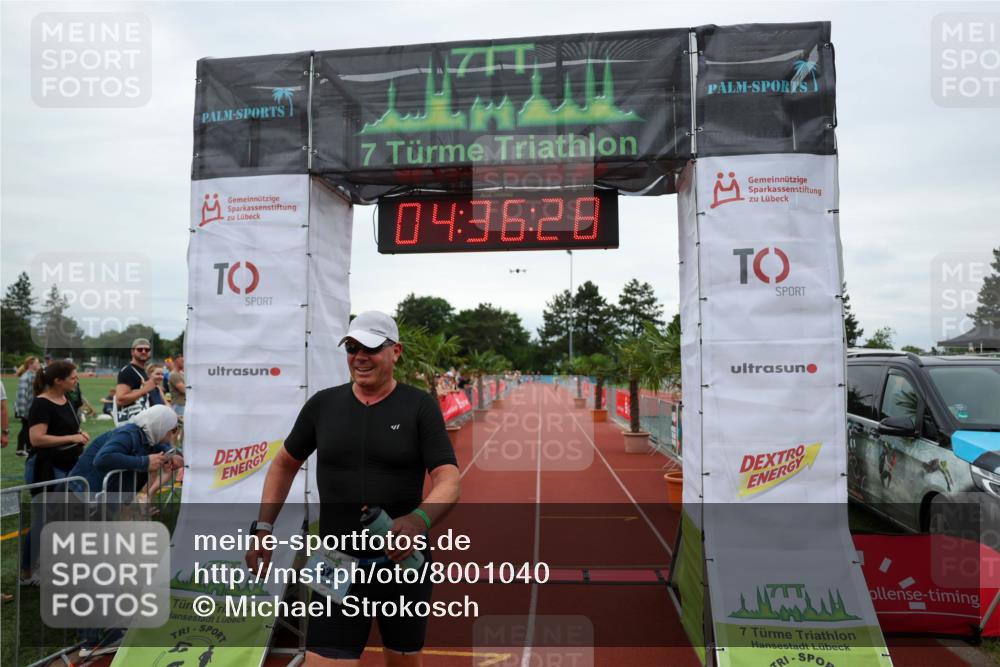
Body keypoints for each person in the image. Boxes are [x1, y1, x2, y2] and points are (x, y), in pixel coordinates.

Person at [245, 311, 460, 667]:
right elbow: (283, 463)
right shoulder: (323, 405)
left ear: (396, 352)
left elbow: (449, 479)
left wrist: (418, 521)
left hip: (402, 562)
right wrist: (263, 528)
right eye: (352, 347)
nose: (360, 356)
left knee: (403, 660)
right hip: (335, 561)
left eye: (371, 348)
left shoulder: (419, 407)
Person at [22, 360, 89, 583]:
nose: (76, 379)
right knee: (43, 520)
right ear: (58, 381)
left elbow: (68, 428)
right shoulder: (41, 403)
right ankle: (27, 572)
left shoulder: (66, 399)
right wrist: (72, 437)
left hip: (68, 466)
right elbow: (36, 438)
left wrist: (80, 434)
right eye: (72, 377)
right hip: (47, 469)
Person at [69, 405, 182, 498]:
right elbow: (102, 459)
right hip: (81, 493)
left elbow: (161, 445)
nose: (173, 434)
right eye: (173, 429)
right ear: (161, 427)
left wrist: (172, 454)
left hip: (101, 495)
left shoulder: (149, 435)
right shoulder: (128, 435)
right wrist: (145, 462)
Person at [114, 338, 158, 423]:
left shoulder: (142, 370)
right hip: (133, 424)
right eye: (140, 349)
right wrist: (144, 390)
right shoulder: (128, 371)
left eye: (147, 349)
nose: (144, 351)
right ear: (132, 352)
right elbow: (120, 400)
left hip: (143, 421)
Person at [14, 355, 40, 456]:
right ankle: (22, 449)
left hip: (31, 407)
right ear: (30, 364)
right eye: (37, 363)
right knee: (26, 428)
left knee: (29, 428)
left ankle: (27, 449)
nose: (38, 365)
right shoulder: (25, 377)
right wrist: (22, 411)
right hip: (27, 409)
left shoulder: (33, 375)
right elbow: (22, 395)